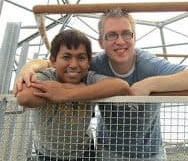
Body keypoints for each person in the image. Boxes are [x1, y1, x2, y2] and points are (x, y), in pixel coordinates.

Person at [14, 8, 188, 161]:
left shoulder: (148, 64)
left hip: (150, 153)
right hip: (108, 151)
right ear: (101, 41)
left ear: (135, 37)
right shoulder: (93, 64)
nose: (120, 41)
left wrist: (151, 83)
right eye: (112, 35)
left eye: (127, 34)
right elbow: (56, 63)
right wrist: (28, 67)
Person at [16, 29, 130, 161]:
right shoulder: (47, 76)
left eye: (81, 57)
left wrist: (65, 92)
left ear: (88, 62)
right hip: (48, 154)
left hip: (84, 152)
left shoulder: (89, 78)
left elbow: (121, 86)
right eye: (66, 57)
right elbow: (24, 97)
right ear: (53, 61)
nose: (74, 65)